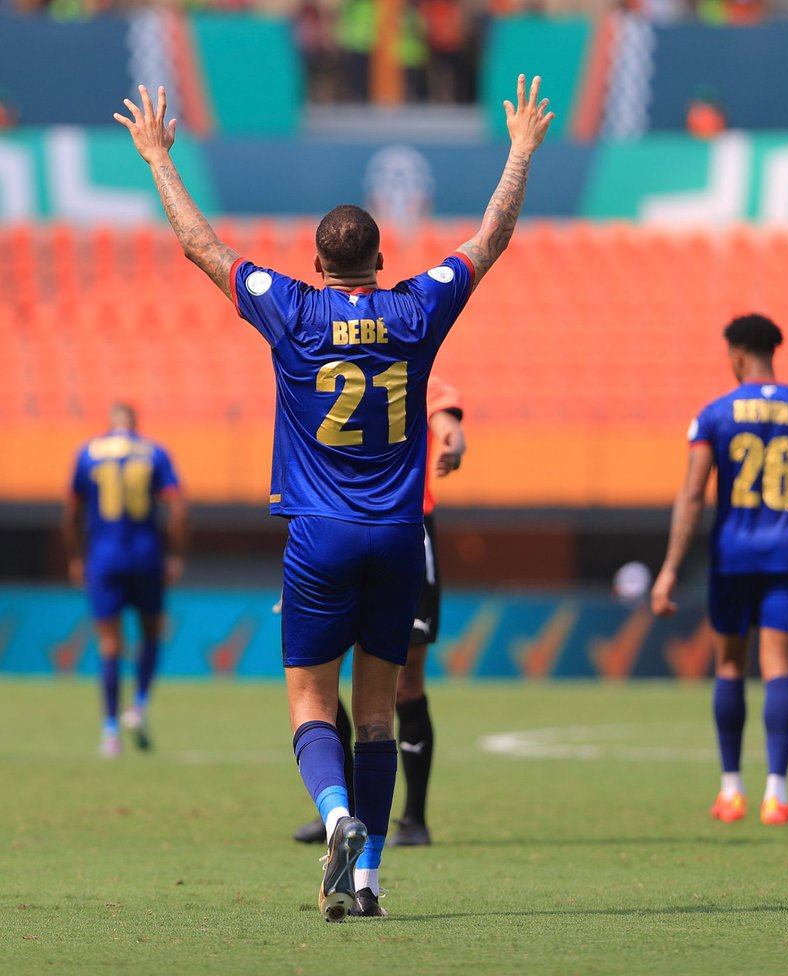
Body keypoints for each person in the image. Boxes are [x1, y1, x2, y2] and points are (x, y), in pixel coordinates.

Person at [114, 78, 552, 922]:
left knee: (313, 705)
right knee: (380, 710)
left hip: (319, 534)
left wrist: (161, 159)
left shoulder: (295, 310)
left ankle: (336, 817)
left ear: (318, 262)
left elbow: (203, 247)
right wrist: (521, 150)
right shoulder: (416, 306)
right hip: (397, 534)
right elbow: (490, 237)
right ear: (380, 259)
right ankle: (369, 879)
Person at [650, 314, 788, 825]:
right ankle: (777, 796)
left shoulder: (715, 415)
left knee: (730, 668)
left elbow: (693, 496)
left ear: (737, 354)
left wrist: (670, 568)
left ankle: (731, 791)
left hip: (732, 559)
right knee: (781, 669)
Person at [292, 372, 465, 847]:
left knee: (405, 682)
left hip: (404, 530)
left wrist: (450, 427)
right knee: (323, 679)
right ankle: (339, 812)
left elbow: (440, 399)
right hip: (332, 528)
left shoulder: (405, 350)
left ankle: (415, 817)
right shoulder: (327, 353)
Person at [62, 402, 186, 757]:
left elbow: (70, 511)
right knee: (151, 633)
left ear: (110, 423)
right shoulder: (156, 452)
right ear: (135, 424)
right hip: (146, 557)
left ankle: (110, 731)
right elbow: (177, 508)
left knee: (109, 644)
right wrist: (175, 554)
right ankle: (139, 705)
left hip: (103, 559)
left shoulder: (86, 453)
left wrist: (75, 557)